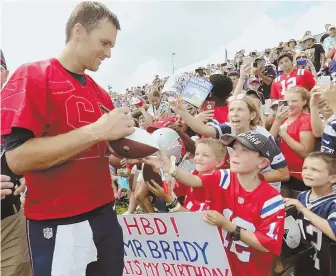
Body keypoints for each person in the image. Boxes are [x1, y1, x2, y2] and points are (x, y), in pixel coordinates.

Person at [1, 2, 135, 275]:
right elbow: (16, 158)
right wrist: (97, 131)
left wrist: (124, 153)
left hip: (105, 215)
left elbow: (96, 153)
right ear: (79, 31)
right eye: (104, 42)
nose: (109, 53)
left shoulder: (100, 93)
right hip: (58, 222)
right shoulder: (32, 75)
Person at [145, 131, 285, 276]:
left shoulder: (271, 199)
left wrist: (227, 225)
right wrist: (171, 170)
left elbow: (267, 244)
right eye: (235, 149)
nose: (235, 154)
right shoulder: (224, 176)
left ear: (262, 162)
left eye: (244, 150)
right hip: (217, 268)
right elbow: (195, 181)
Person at [169, 94, 290, 190]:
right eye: (231, 110)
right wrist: (181, 111)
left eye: (240, 110)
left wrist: (252, 177)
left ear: (252, 115)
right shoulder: (228, 129)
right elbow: (202, 129)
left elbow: (283, 174)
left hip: (265, 189)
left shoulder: (264, 137)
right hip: (242, 186)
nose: (234, 114)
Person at [1, 50, 31, 276]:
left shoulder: (17, 112)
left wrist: (24, 175)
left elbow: (26, 155)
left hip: (9, 223)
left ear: (6, 74)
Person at [284, 152, 336, 276]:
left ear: (333, 178)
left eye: (315, 170)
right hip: (304, 261)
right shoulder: (303, 196)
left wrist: (303, 209)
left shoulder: (332, 202)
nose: (307, 172)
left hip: (327, 265)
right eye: (305, 168)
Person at [270, 87, 316, 197]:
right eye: (287, 101)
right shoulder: (281, 118)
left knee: (297, 209)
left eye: (294, 101)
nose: (290, 104)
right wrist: (277, 121)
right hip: (281, 172)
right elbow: (268, 142)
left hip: (300, 175)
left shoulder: (306, 119)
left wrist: (284, 135)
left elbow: (305, 152)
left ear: (304, 102)